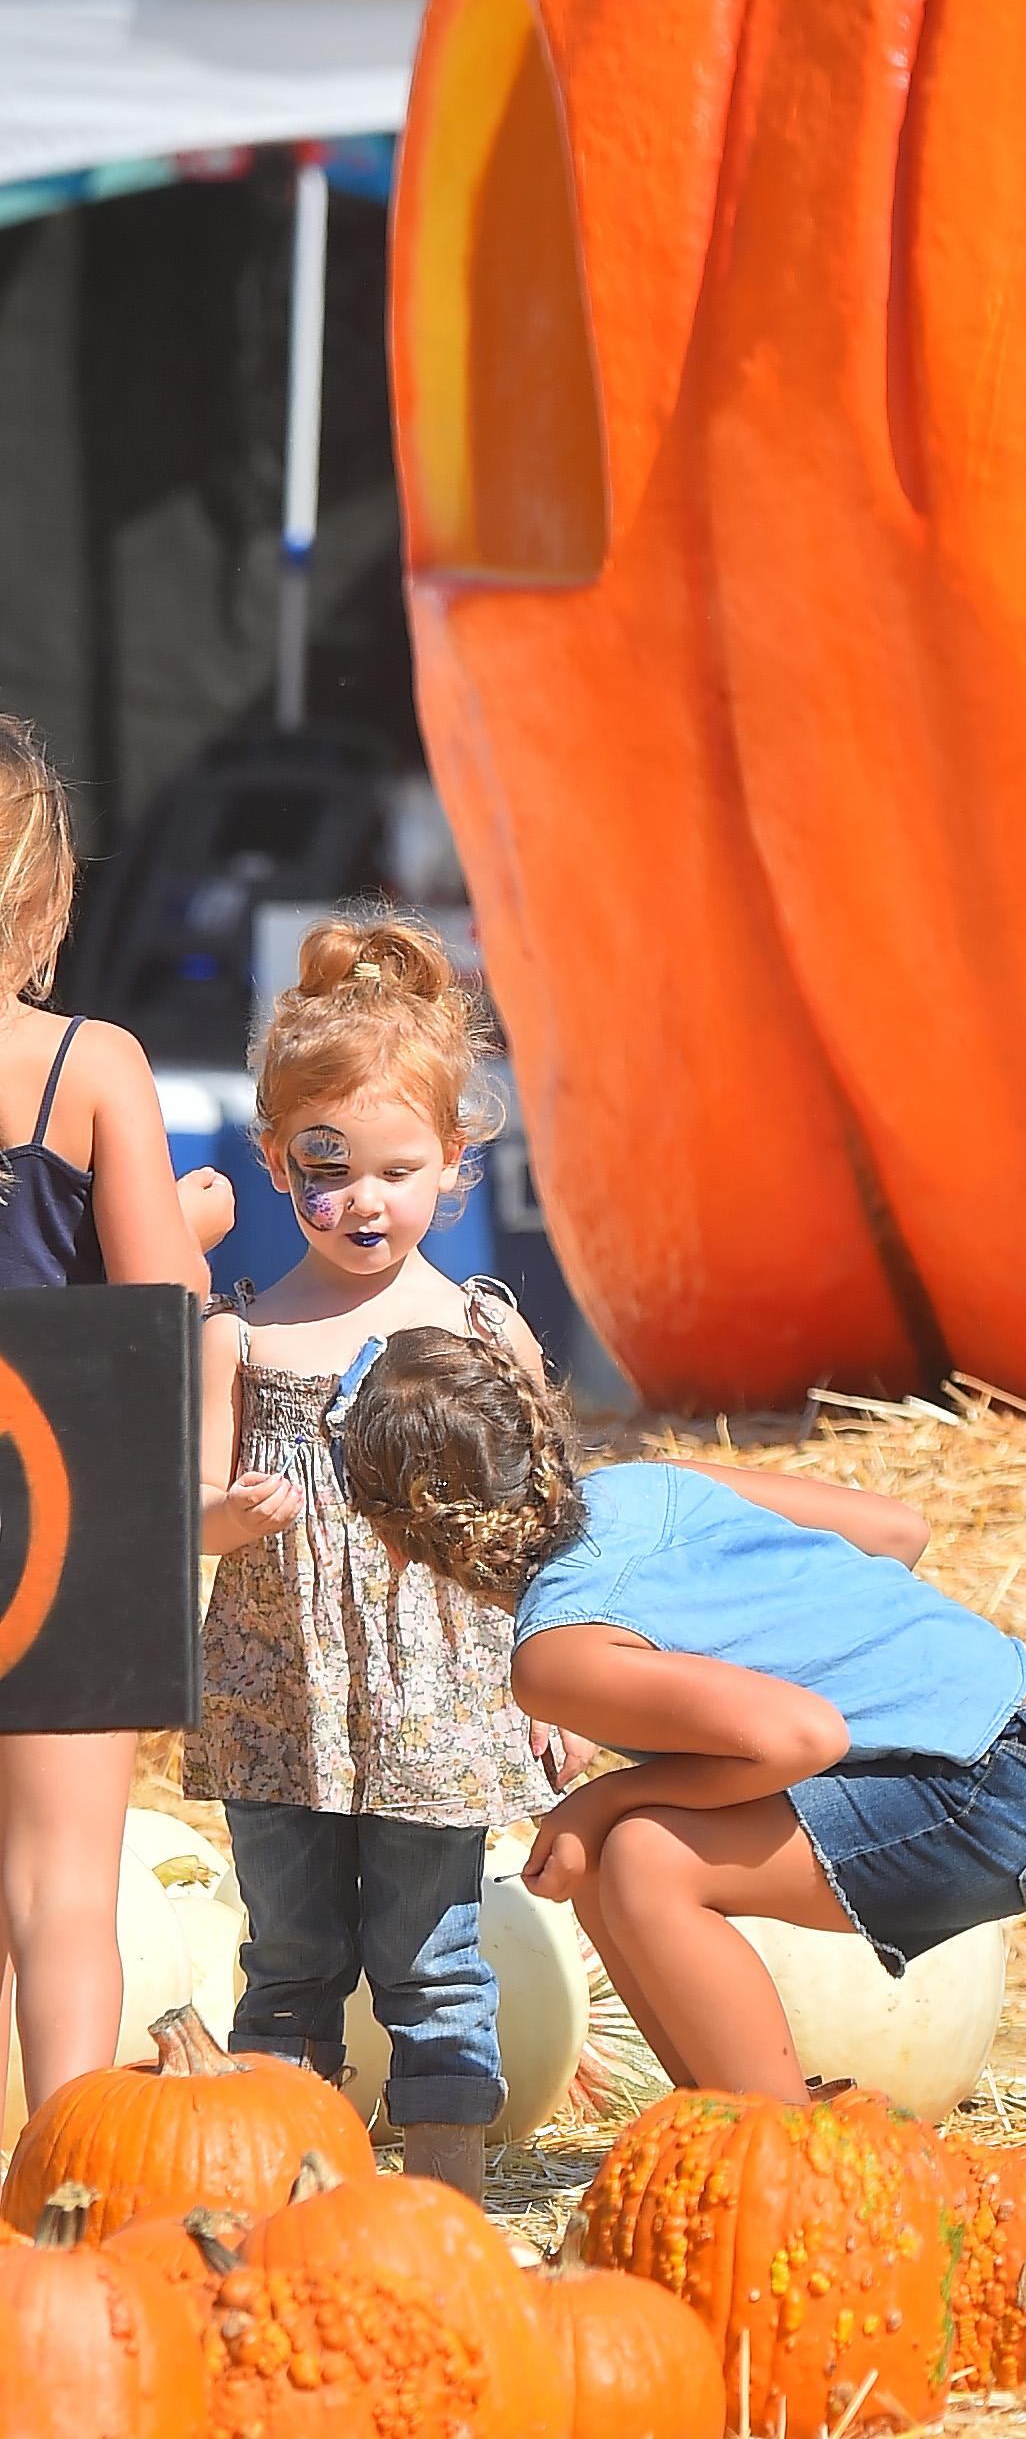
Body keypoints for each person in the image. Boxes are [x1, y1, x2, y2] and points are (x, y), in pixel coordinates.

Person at [339, 1330, 1026, 2102]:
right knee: (609, 1858)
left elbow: (802, 1736)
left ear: (394, 1537)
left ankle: (779, 2152)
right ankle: (719, 2117)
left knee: (648, 1858)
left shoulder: (556, 1654)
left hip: (1000, 1795)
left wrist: (602, 1794)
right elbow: (895, 1531)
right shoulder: (644, 1486)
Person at [187, 909, 587, 2203]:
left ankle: (442, 2208)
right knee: (291, 1952)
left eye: (396, 1168)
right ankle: (284, 2194)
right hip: (282, 1706)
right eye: (326, 1164)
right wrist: (224, 1521)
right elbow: (182, 1510)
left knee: (434, 1958)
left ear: (455, 1161)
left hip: (439, 1707)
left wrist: (554, 1690)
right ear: (270, 1159)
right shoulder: (240, 1341)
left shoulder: (481, 1332)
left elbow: (542, 1533)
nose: (362, 1198)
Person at [0, 716, 227, 2118]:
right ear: (44, 892)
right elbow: (163, 1312)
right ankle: (56, 2208)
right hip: (58, 1503)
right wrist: (197, 1220)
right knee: (61, 1887)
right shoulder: (94, 1066)